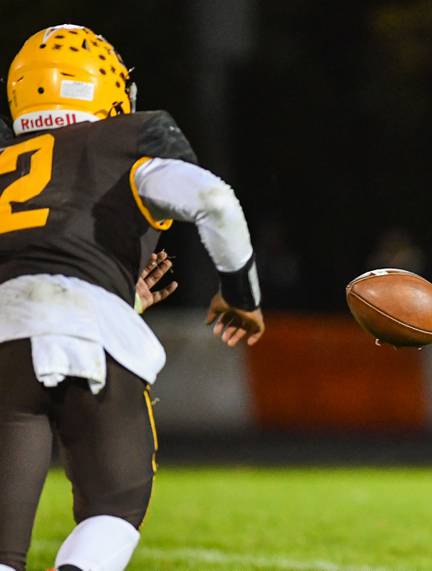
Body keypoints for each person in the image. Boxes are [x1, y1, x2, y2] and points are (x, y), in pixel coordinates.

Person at [0, 25, 265, 571]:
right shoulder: (129, 137)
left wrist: (118, 297)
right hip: (87, 324)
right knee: (113, 506)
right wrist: (240, 294)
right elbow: (214, 201)